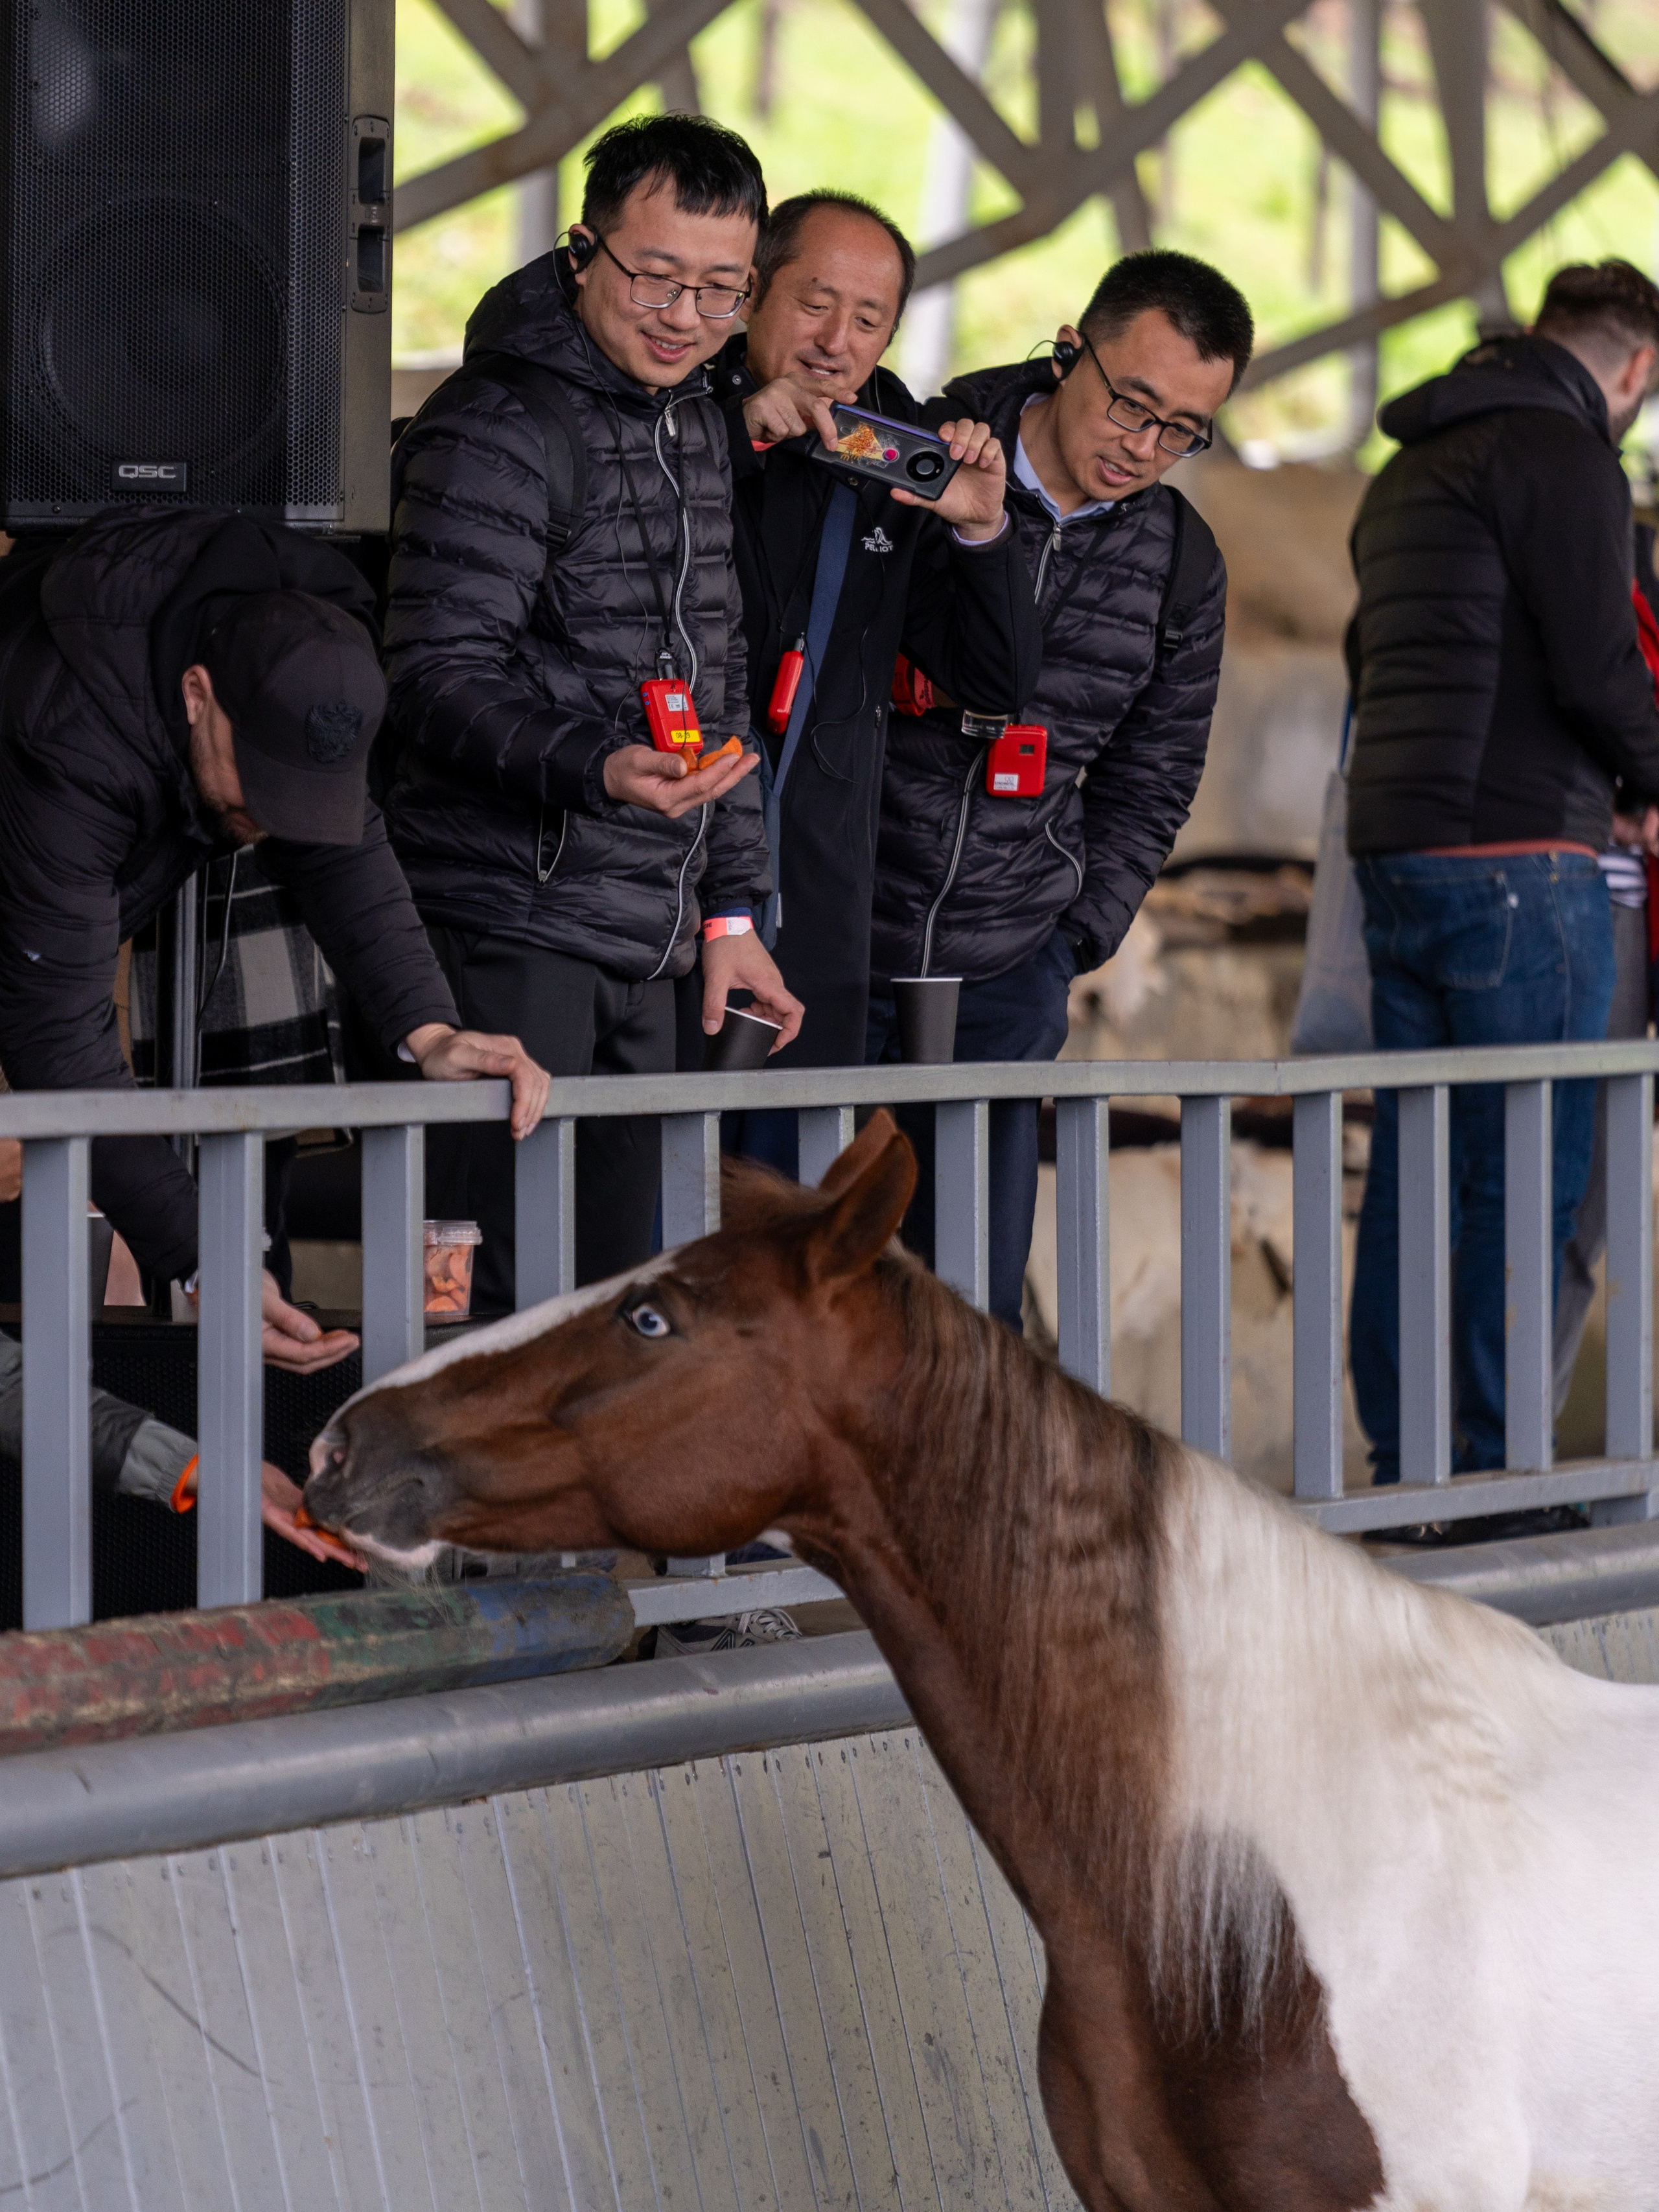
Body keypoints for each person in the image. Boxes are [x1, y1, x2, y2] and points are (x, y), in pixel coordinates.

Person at [382, 115, 800, 1312]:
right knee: (482, 1301)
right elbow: (435, 675)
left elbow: (718, 679)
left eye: (721, 290)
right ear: (582, 251)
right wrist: (599, 768)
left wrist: (731, 910)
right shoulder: (495, 422)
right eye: (655, 277)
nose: (685, 316)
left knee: (616, 1310)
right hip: (508, 927)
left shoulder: (699, 417)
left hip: (650, 937)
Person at [0, 512, 550, 1373]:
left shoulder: (312, 657)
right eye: (260, 786)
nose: (270, 820)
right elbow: (55, 1035)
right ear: (196, 695)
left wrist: (430, 1028)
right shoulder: (73, 731)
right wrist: (207, 1259)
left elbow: (345, 849)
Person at [869, 250, 1254, 1329]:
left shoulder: (1181, 563)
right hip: (830, 938)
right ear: (1069, 351)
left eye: (1181, 430)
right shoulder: (914, 461)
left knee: (965, 1313)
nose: (1144, 445)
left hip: (1006, 962)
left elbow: (1156, 773)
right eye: (1132, 403)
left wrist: (1071, 940)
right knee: (782, 1280)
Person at [1345, 258, 1659, 1493]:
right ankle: (1497, 1478)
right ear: (1637, 368)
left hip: (1399, 853)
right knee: (1525, 1176)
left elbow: (1374, 657)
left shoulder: (1410, 467)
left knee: (1415, 1167)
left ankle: (1404, 1466)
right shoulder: (1564, 455)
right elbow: (1597, 665)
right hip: (1524, 862)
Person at [711, 191, 1043, 1156]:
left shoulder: (896, 449)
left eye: (868, 320)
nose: (835, 342)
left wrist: (982, 527)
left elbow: (995, 681)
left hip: (817, 880)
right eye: (814, 304)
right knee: (648, 1185)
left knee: (790, 1190)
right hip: (667, 860)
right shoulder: (679, 409)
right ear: (752, 293)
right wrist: (732, 442)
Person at [1552, 528, 1659, 1417]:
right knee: (1557, 1199)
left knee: (1589, 1211)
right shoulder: (1595, 553)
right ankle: (1502, 1452)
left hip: (1631, 916)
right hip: (1591, 903)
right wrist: (1620, 811)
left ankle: (1522, 1448)